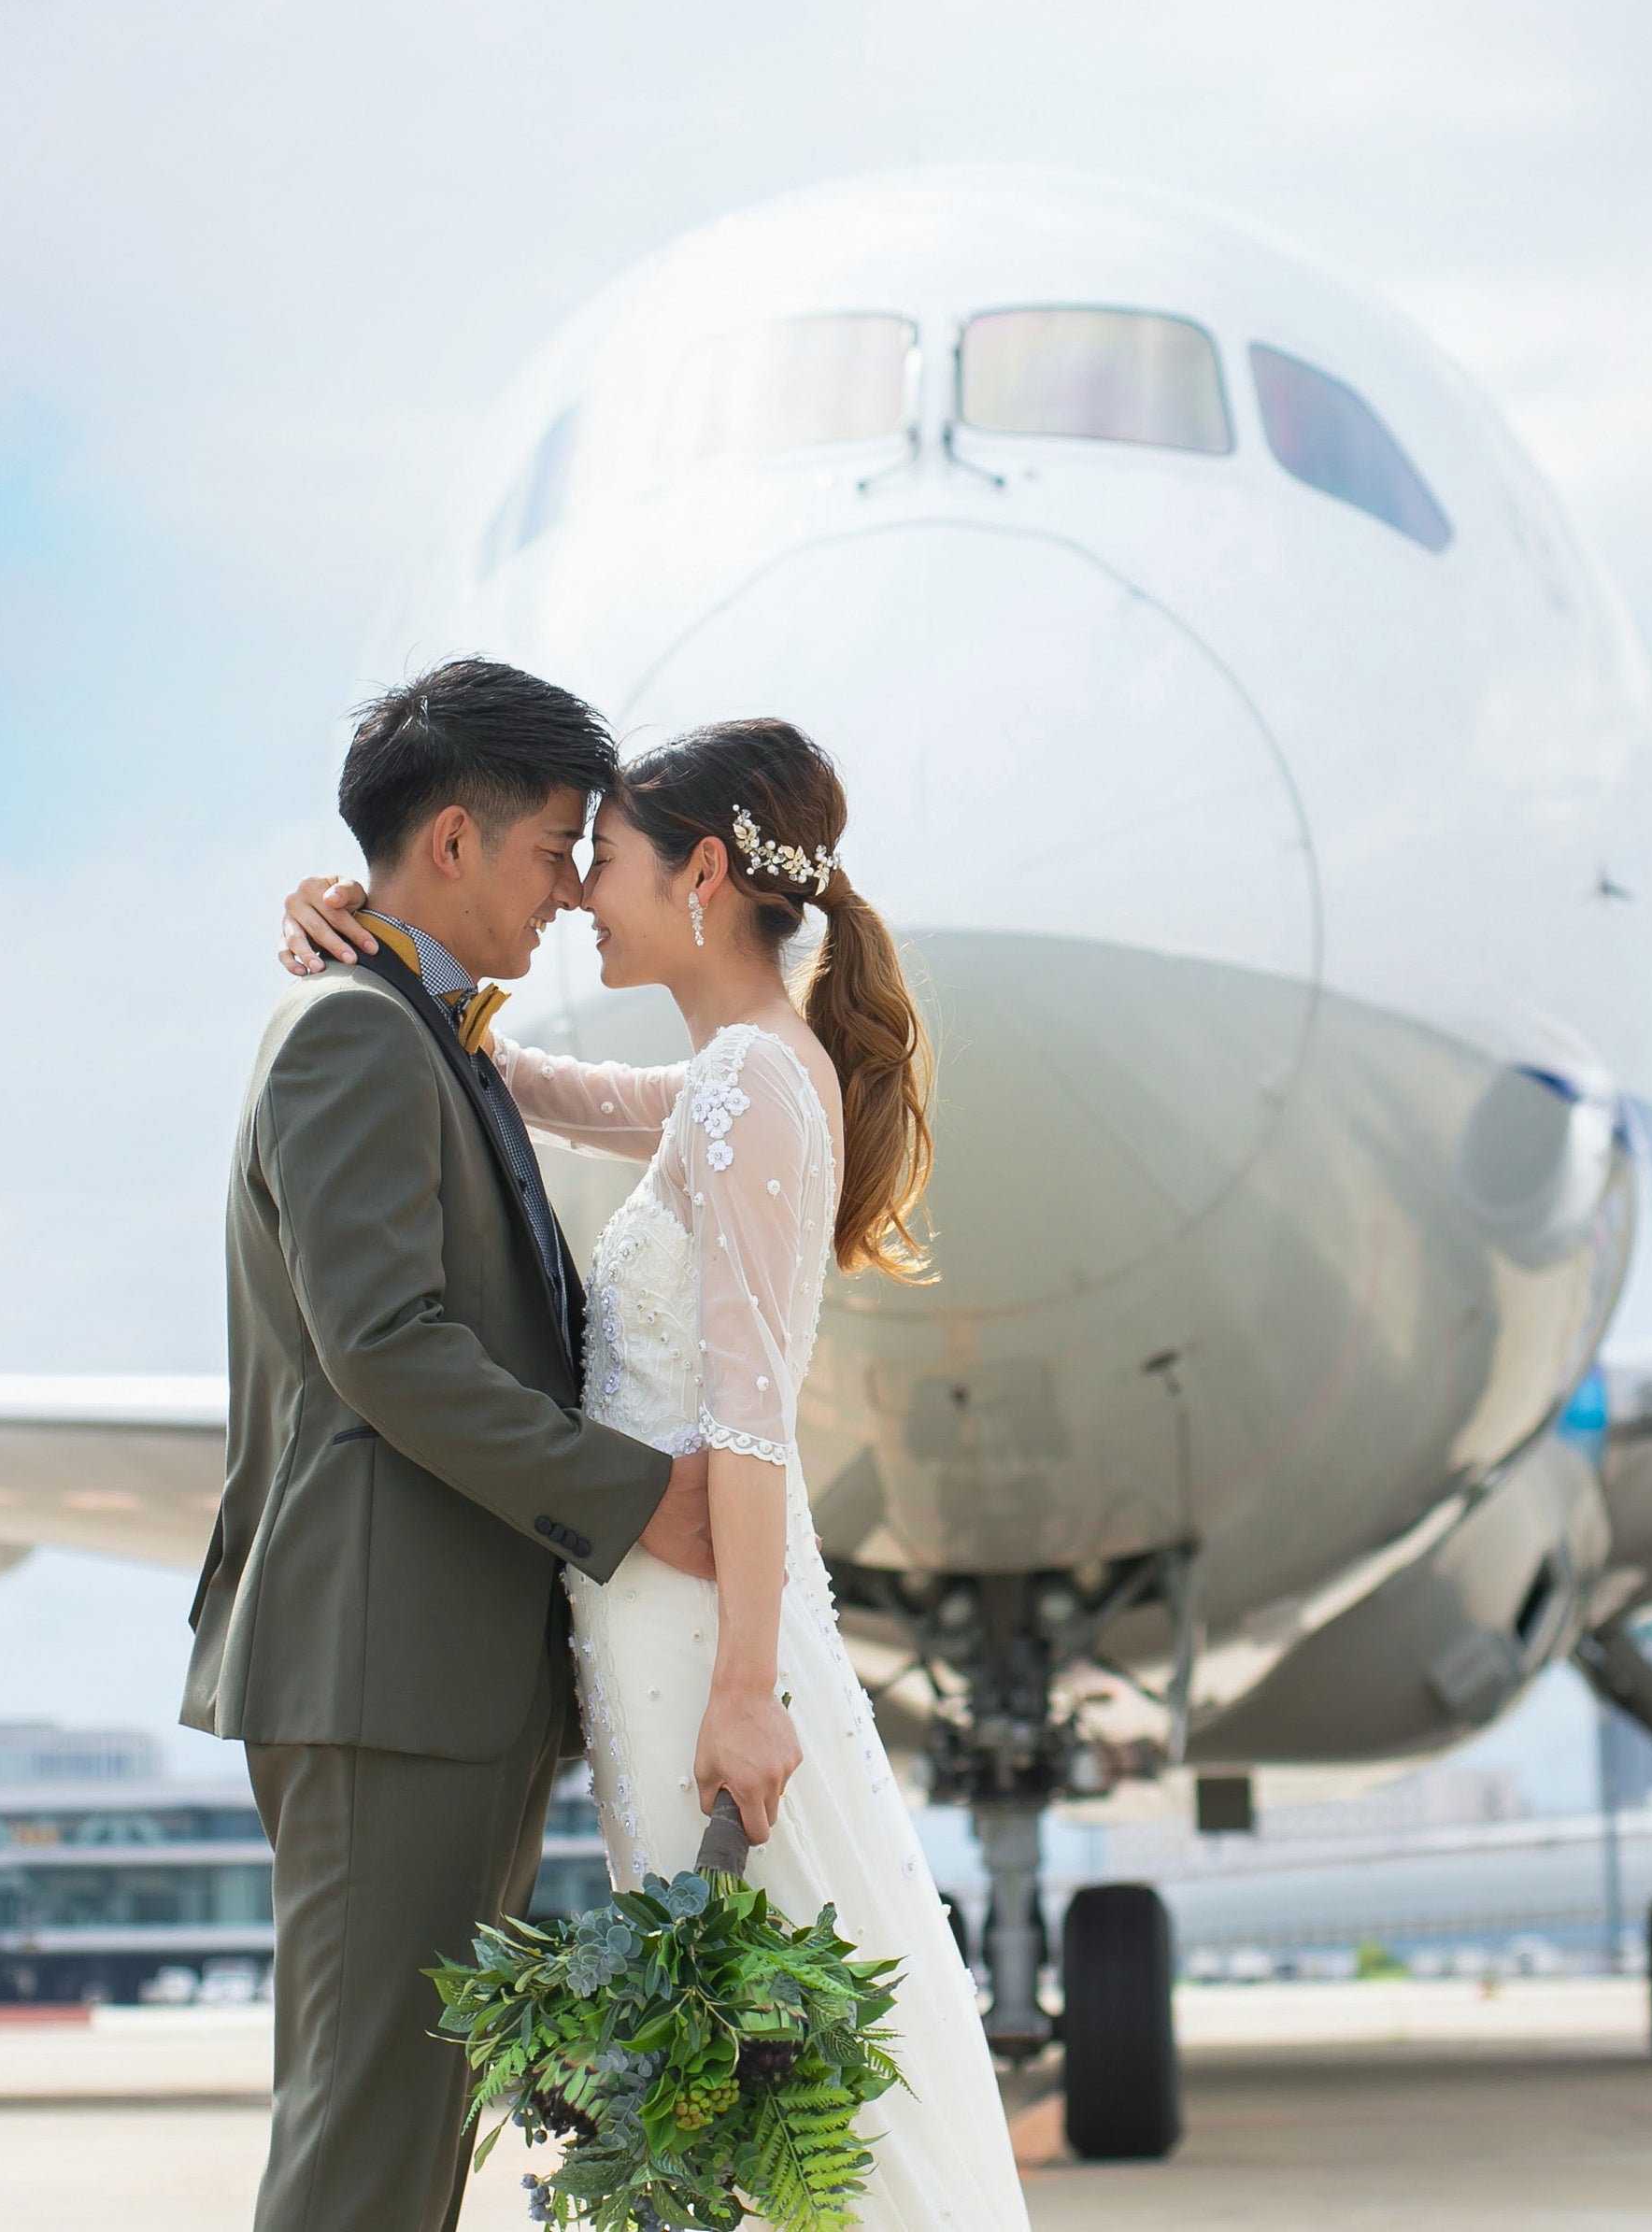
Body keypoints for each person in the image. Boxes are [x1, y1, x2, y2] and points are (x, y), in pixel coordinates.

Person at [280, 716, 1034, 2228]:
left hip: (705, 1637)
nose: (577, 896)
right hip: (665, 1625)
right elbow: (527, 1082)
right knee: (755, 2095)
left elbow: (750, 1423)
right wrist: (372, 942)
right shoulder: (734, 1078)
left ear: (700, 873)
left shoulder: (755, 1082)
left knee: (789, 2089)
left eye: (602, 861)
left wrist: (746, 1692)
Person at [185, 658, 720, 2232]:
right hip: (381, 1673)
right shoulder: (355, 1035)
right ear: (449, 844)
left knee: (409, 2137)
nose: (569, 892)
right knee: (366, 2142)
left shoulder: (428, 1031)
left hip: (435, 1677)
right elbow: (388, 1349)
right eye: (559, 848)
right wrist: (643, 1504)